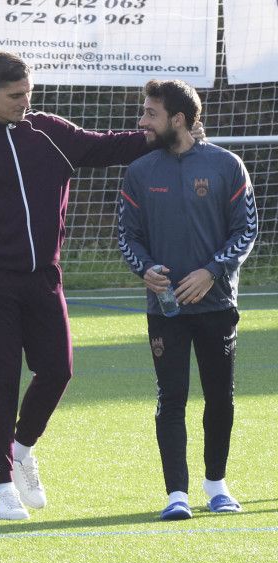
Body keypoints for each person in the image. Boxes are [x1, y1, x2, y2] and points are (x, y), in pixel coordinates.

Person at [0, 51, 164, 519]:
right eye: (14, 96)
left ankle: (21, 448)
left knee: (59, 369)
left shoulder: (50, 132)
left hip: (44, 280)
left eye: (28, 94)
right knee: (0, 382)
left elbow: (104, 146)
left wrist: (157, 135)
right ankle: (0, 487)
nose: (24, 102)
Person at [116, 79, 258, 520]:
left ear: (177, 119)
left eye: (151, 114)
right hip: (166, 309)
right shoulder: (140, 171)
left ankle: (216, 485)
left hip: (216, 305)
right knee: (171, 396)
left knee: (219, 397)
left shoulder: (226, 166)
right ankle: (176, 494)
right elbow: (127, 236)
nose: (142, 122)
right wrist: (146, 270)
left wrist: (211, 270)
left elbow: (246, 230)